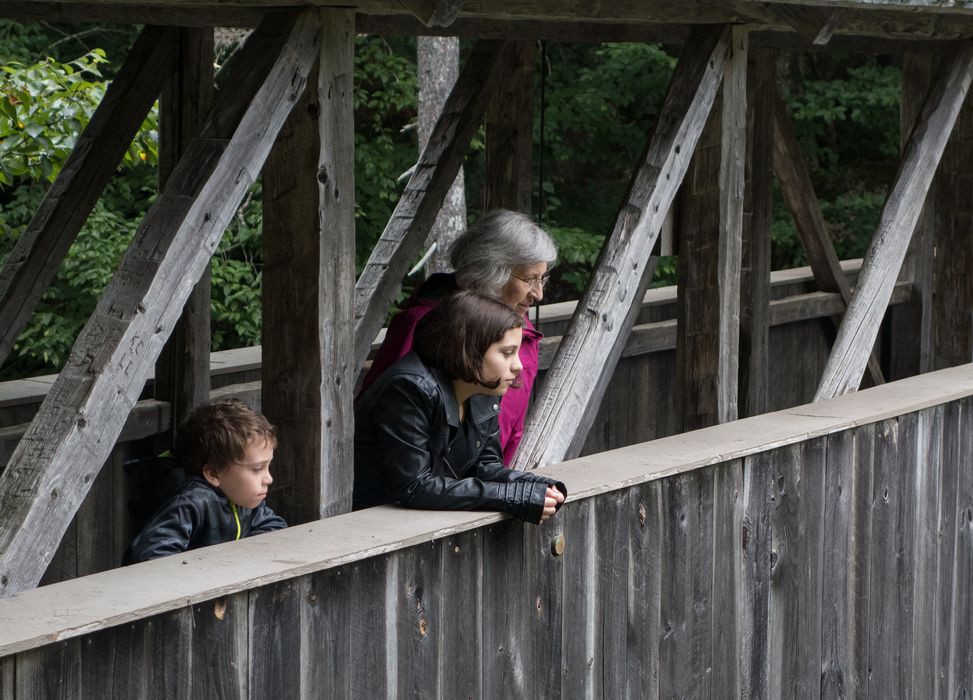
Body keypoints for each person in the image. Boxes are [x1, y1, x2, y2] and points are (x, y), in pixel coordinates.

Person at [359, 209, 557, 465]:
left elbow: (510, 430)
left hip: (485, 491)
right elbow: (385, 421)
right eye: (529, 280)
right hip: (419, 494)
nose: (539, 294)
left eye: (542, 279)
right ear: (491, 270)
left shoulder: (521, 331)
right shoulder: (424, 325)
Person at [354, 291, 567, 524]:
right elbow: (415, 486)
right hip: (368, 529)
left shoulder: (482, 387)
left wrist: (535, 486)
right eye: (507, 353)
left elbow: (485, 467)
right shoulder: (409, 388)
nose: (517, 365)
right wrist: (513, 496)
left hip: (418, 526)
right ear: (468, 349)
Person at [126, 399, 287, 563]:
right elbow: (151, 556)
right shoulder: (189, 504)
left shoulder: (243, 499)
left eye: (268, 466)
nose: (269, 478)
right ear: (213, 473)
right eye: (257, 469)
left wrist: (239, 556)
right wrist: (218, 565)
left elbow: (274, 528)